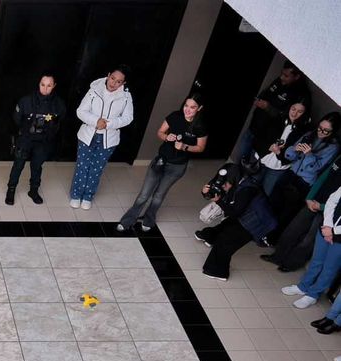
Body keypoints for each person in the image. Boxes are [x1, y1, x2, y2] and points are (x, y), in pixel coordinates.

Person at [117, 93, 208, 232]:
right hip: (161, 160)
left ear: (199, 108)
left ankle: (148, 220)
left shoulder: (200, 126)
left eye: (192, 107)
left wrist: (185, 147)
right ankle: (128, 220)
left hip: (177, 167)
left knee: (159, 195)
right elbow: (160, 132)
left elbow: (201, 148)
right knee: (144, 194)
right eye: (186, 105)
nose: (187, 110)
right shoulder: (174, 116)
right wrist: (166, 137)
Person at [194, 160, 276, 282]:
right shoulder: (230, 181)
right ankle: (209, 236)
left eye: (226, 183)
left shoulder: (247, 189)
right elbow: (216, 194)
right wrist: (205, 193)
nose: (223, 185)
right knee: (225, 226)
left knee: (225, 243)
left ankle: (217, 271)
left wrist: (218, 201)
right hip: (244, 214)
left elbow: (234, 212)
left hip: (255, 222)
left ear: (234, 179)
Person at [261, 153, 341, 272]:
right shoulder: (339, 158)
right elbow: (323, 178)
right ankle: (277, 257)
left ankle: (291, 264)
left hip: (330, 213)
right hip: (314, 202)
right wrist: (309, 197)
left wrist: (322, 207)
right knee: (293, 230)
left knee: (308, 240)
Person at [268, 112, 341, 241]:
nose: (321, 132)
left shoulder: (333, 146)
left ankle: (273, 238)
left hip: (304, 182)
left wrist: (309, 155)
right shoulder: (310, 134)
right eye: (320, 128)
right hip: (291, 173)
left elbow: (317, 168)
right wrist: (295, 149)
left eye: (326, 131)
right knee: (274, 202)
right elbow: (289, 154)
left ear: (333, 132)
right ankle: (263, 230)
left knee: (287, 212)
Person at [69, 66, 134, 210]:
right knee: (82, 167)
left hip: (108, 139)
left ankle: (87, 196)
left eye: (118, 81)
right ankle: (76, 195)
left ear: (123, 83)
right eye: (112, 78)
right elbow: (81, 111)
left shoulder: (126, 97)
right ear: (108, 75)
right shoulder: (94, 90)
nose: (114, 83)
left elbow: (128, 118)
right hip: (87, 136)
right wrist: (95, 121)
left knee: (96, 169)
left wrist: (109, 124)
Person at [5, 73, 66, 206]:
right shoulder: (26, 101)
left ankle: (33, 190)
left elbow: (60, 120)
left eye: (49, 85)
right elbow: (16, 119)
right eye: (43, 84)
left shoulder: (58, 104)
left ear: (54, 86)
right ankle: (11, 190)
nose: (45, 88)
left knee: (37, 166)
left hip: (44, 141)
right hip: (26, 139)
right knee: (18, 165)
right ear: (39, 84)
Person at [281, 186, 341, 310]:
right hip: (325, 228)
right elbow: (332, 200)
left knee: (329, 268)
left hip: (337, 236)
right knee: (316, 260)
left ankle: (313, 295)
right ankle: (303, 286)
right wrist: (328, 225)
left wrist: (333, 231)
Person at [239, 61, 311, 160]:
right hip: (255, 125)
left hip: (268, 135)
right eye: (282, 73)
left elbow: (288, 117)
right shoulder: (280, 81)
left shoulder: (300, 95)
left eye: (286, 75)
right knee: (242, 155)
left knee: (254, 161)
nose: (281, 77)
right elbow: (266, 92)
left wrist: (268, 107)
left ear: (297, 77)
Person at [254, 101, 309, 197]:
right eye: (293, 109)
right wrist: (268, 146)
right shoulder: (276, 119)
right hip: (260, 160)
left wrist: (280, 152)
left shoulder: (303, 132)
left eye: (300, 111)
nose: (294, 113)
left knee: (263, 196)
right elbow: (258, 137)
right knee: (248, 189)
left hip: (277, 168)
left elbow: (293, 157)